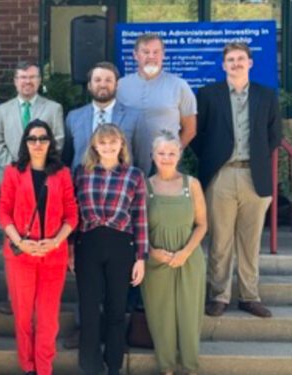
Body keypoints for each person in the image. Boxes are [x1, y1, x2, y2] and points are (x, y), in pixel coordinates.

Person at [194, 42, 281, 318]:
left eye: (240, 59)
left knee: (250, 240)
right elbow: (198, 135)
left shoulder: (266, 96)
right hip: (221, 174)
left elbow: (274, 135)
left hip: (254, 175)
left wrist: (255, 157)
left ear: (250, 63)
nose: (236, 63)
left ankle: (249, 296)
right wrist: (215, 157)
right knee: (219, 240)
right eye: (230, 60)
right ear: (223, 65)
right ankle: (218, 295)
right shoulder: (209, 94)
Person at [0, 120, 77, 375]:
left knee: (47, 318)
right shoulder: (13, 172)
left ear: (50, 143)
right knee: (22, 316)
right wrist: (20, 241)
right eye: (32, 139)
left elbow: (72, 215)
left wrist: (56, 241)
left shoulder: (62, 173)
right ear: (25, 143)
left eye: (43, 138)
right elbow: (4, 213)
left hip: (53, 255)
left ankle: (44, 368)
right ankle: (28, 366)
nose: (38, 143)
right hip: (21, 255)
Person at [73, 124, 147, 375]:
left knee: (116, 309)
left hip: (120, 245)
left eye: (112, 142)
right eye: (102, 143)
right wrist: (70, 248)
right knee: (89, 309)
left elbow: (140, 217)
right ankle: (90, 366)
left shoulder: (134, 175)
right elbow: (72, 213)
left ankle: (113, 365)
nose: (108, 147)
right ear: (94, 145)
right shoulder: (81, 173)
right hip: (89, 243)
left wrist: (141, 257)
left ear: (121, 145)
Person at [141, 132, 207, 375]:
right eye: (161, 153)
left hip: (189, 260)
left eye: (171, 153)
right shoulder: (145, 187)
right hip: (157, 261)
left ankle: (190, 368)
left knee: (190, 317)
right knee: (161, 319)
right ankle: (166, 368)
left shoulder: (192, 185)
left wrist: (186, 252)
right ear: (152, 155)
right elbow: (138, 228)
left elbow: (202, 224)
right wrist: (152, 251)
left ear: (179, 154)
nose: (166, 158)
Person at [117, 34, 197, 162]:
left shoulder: (179, 86)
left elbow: (190, 129)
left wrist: (173, 152)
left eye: (156, 52)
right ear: (135, 55)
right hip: (128, 160)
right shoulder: (120, 86)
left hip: (165, 162)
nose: (151, 56)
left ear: (163, 55)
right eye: (145, 52)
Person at [66, 62, 147, 173]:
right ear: (89, 85)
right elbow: (67, 157)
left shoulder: (135, 117)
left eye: (108, 80)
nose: (103, 84)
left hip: (121, 186)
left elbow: (142, 159)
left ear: (117, 85)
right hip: (82, 186)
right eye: (97, 80)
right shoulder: (73, 118)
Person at [0, 61, 64, 172]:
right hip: (10, 175)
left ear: (39, 80)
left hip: (42, 173)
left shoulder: (54, 109)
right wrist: (14, 166)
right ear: (15, 81)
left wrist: (38, 165)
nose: (28, 81)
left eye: (32, 77)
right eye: (23, 77)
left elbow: (58, 141)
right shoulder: (2, 110)